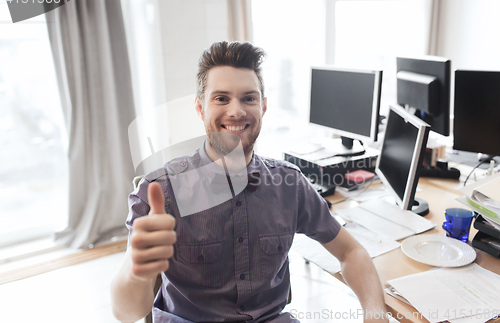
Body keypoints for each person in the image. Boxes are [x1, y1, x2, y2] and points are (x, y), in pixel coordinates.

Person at [111, 41, 389, 323]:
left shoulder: (289, 185)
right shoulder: (159, 191)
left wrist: (375, 313)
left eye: (248, 98)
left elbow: (351, 251)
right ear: (200, 108)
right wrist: (139, 271)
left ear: (263, 106)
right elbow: (126, 313)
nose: (236, 111)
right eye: (221, 98)